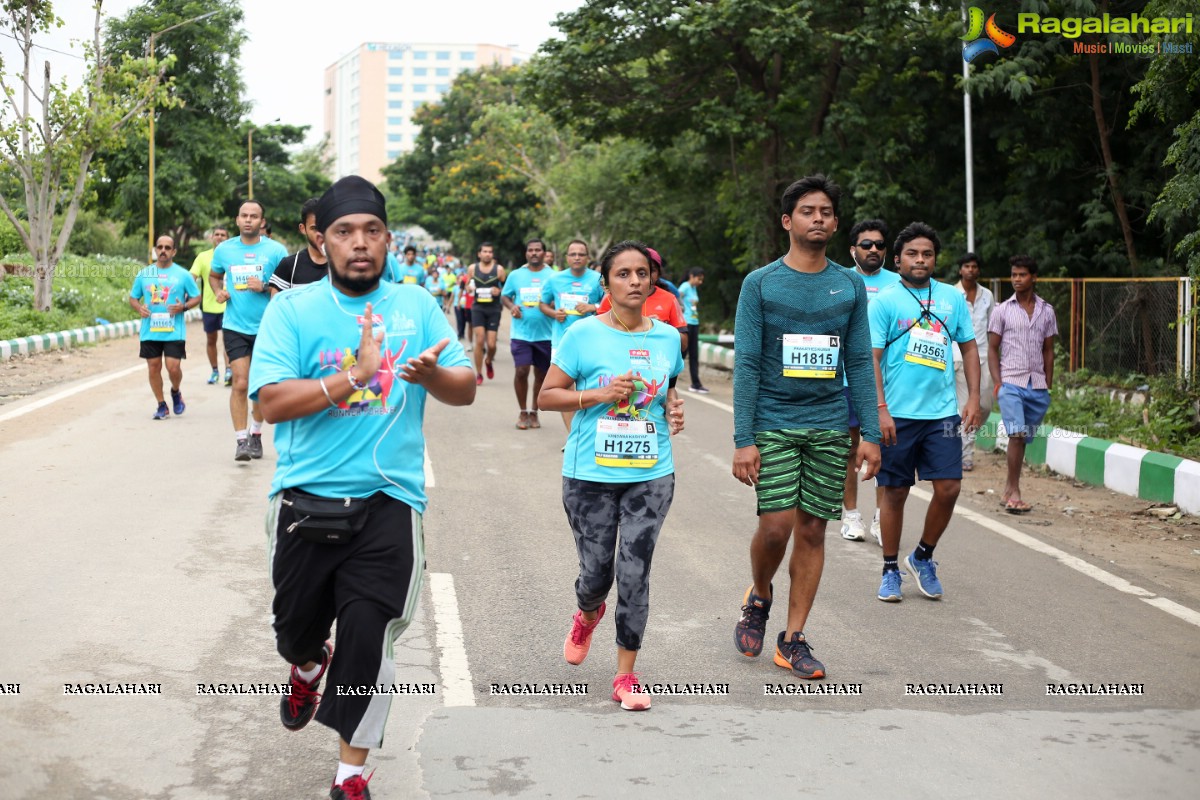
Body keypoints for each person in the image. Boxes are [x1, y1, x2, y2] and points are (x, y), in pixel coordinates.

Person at [251, 175, 475, 800]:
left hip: (390, 503)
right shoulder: (292, 310)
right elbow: (269, 403)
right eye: (344, 232)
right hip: (304, 500)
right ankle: (305, 662)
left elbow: (465, 388)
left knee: (370, 631)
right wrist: (356, 375)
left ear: (388, 240)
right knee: (295, 627)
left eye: (371, 231)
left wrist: (431, 377)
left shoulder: (418, 304)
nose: (359, 243)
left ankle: (351, 771)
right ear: (320, 242)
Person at [731, 175, 881, 679]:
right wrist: (743, 439)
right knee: (775, 528)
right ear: (787, 221)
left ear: (836, 223)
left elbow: (859, 361)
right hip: (773, 420)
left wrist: (872, 437)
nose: (818, 218)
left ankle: (792, 639)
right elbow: (748, 362)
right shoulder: (761, 284)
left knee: (813, 530)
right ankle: (760, 594)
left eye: (826, 212)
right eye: (807, 211)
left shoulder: (850, 284)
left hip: (829, 424)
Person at [537, 240, 685, 711]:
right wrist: (599, 394)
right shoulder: (582, 334)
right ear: (606, 283)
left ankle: (626, 676)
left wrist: (674, 409)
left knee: (634, 571)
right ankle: (587, 612)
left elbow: (667, 393)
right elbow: (548, 395)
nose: (635, 282)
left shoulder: (666, 337)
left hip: (651, 472)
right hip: (589, 473)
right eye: (624, 274)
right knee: (596, 573)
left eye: (642, 273)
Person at [870, 222, 981, 602]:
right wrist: (880, 409)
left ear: (935, 259)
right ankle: (889, 569)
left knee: (949, 487)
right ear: (897, 258)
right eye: (913, 254)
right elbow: (872, 358)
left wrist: (973, 399)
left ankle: (922, 555)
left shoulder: (951, 298)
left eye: (927, 254)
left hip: (942, 414)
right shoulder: (885, 301)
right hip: (897, 414)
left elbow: (968, 348)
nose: (920, 260)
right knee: (895, 491)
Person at [210, 200, 289, 461]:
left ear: (261, 222)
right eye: (244, 215)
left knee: (261, 386)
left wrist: (265, 286)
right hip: (235, 326)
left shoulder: (276, 251)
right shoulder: (224, 250)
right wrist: (218, 291)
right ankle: (241, 441)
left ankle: (256, 433)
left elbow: (287, 286)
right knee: (241, 383)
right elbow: (214, 275)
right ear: (237, 220)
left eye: (254, 216)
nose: (248, 220)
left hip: (267, 326)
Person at [839, 220, 901, 543]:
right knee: (850, 449)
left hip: (887, 383)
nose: (873, 249)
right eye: (866, 245)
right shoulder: (839, 280)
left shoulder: (899, 284)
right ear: (853, 250)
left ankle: (881, 517)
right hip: (846, 381)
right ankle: (850, 515)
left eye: (879, 245)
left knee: (884, 451)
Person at [988, 254, 1056, 514]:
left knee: (1023, 438)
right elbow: (993, 349)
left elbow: (1049, 349)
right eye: (1014, 275)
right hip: (1011, 382)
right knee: (1016, 434)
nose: (1016, 279)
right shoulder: (1002, 310)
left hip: (1037, 385)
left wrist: (1047, 384)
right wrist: (998, 383)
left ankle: (1008, 488)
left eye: (1022, 275)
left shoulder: (1047, 311)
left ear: (1033, 277)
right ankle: (1014, 491)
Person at [130, 235, 201, 419]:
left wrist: (183, 307)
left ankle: (175, 391)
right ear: (155, 250)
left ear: (174, 251)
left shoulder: (183, 274)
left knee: (173, 368)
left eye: (167, 248)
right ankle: (162, 405)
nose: (163, 250)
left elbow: (196, 297)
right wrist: (140, 308)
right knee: (153, 367)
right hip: (150, 330)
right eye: (160, 247)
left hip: (173, 331)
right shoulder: (144, 274)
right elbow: (133, 297)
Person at [539, 239, 604, 432]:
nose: (577, 257)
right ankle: (572, 435)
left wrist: (593, 307)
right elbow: (543, 304)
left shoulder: (598, 279)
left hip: (592, 341)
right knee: (564, 389)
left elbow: (610, 305)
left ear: (587, 257)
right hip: (562, 341)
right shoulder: (555, 279)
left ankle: (588, 429)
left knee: (589, 387)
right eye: (573, 254)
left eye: (581, 254)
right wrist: (554, 313)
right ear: (567, 257)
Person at [502, 238, 554, 430]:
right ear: (526, 254)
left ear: (544, 253)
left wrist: (555, 306)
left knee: (541, 375)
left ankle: (534, 412)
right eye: (530, 250)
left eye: (537, 250)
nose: (534, 253)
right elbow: (505, 296)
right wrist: (512, 306)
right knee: (521, 371)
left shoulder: (553, 276)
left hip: (546, 334)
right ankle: (523, 411)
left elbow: (559, 299)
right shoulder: (516, 275)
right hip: (521, 333)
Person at [952, 252, 996, 471]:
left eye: (974, 266)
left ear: (978, 270)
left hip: (984, 357)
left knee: (985, 405)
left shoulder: (987, 295)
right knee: (965, 405)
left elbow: (993, 327)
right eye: (966, 266)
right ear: (961, 270)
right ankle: (965, 454)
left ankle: (962, 444)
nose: (970, 270)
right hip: (959, 357)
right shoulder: (952, 294)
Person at [597, 252, 688, 355]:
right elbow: (597, 335)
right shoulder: (612, 298)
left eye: (643, 273)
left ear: (658, 274)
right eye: (624, 274)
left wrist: (661, 329)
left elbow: (684, 344)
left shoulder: (669, 299)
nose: (636, 280)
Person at [189, 225, 231, 386]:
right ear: (212, 237)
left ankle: (229, 370)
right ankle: (215, 371)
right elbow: (190, 277)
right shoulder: (203, 257)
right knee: (211, 340)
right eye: (217, 234)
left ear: (227, 238)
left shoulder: (232, 256)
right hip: (209, 306)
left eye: (223, 235)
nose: (220, 237)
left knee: (228, 340)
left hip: (229, 306)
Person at [268, 198, 328, 296]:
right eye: (314, 228)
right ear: (303, 229)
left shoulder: (344, 265)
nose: (319, 234)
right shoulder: (289, 265)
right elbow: (277, 308)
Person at [467, 242, 506, 385]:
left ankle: (488, 360)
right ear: (479, 254)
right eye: (485, 251)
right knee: (479, 339)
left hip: (494, 308)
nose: (487, 254)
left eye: (490, 252)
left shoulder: (499, 270)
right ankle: (479, 373)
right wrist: (469, 288)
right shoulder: (472, 268)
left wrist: (499, 291)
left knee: (491, 344)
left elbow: (506, 288)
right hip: (478, 307)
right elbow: (468, 285)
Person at [678, 267, 708, 393]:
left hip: (694, 322)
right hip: (686, 323)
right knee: (682, 353)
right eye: (699, 279)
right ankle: (667, 378)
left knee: (694, 354)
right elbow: (676, 298)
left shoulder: (694, 288)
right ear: (691, 276)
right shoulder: (684, 286)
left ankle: (695, 383)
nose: (700, 282)